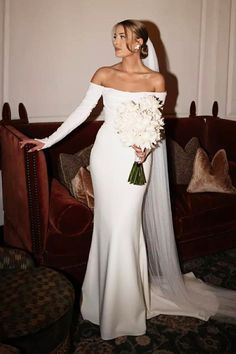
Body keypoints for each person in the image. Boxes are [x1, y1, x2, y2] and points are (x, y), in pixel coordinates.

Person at [20, 19, 236, 340]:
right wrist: (47, 141)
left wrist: (146, 149)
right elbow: (82, 112)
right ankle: (102, 300)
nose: (116, 42)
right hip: (106, 156)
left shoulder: (156, 79)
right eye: (114, 37)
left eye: (122, 37)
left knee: (126, 227)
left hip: (138, 160)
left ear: (138, 43)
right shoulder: (104, 74)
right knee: (108, 226)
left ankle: (123, 307)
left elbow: (156, 124)